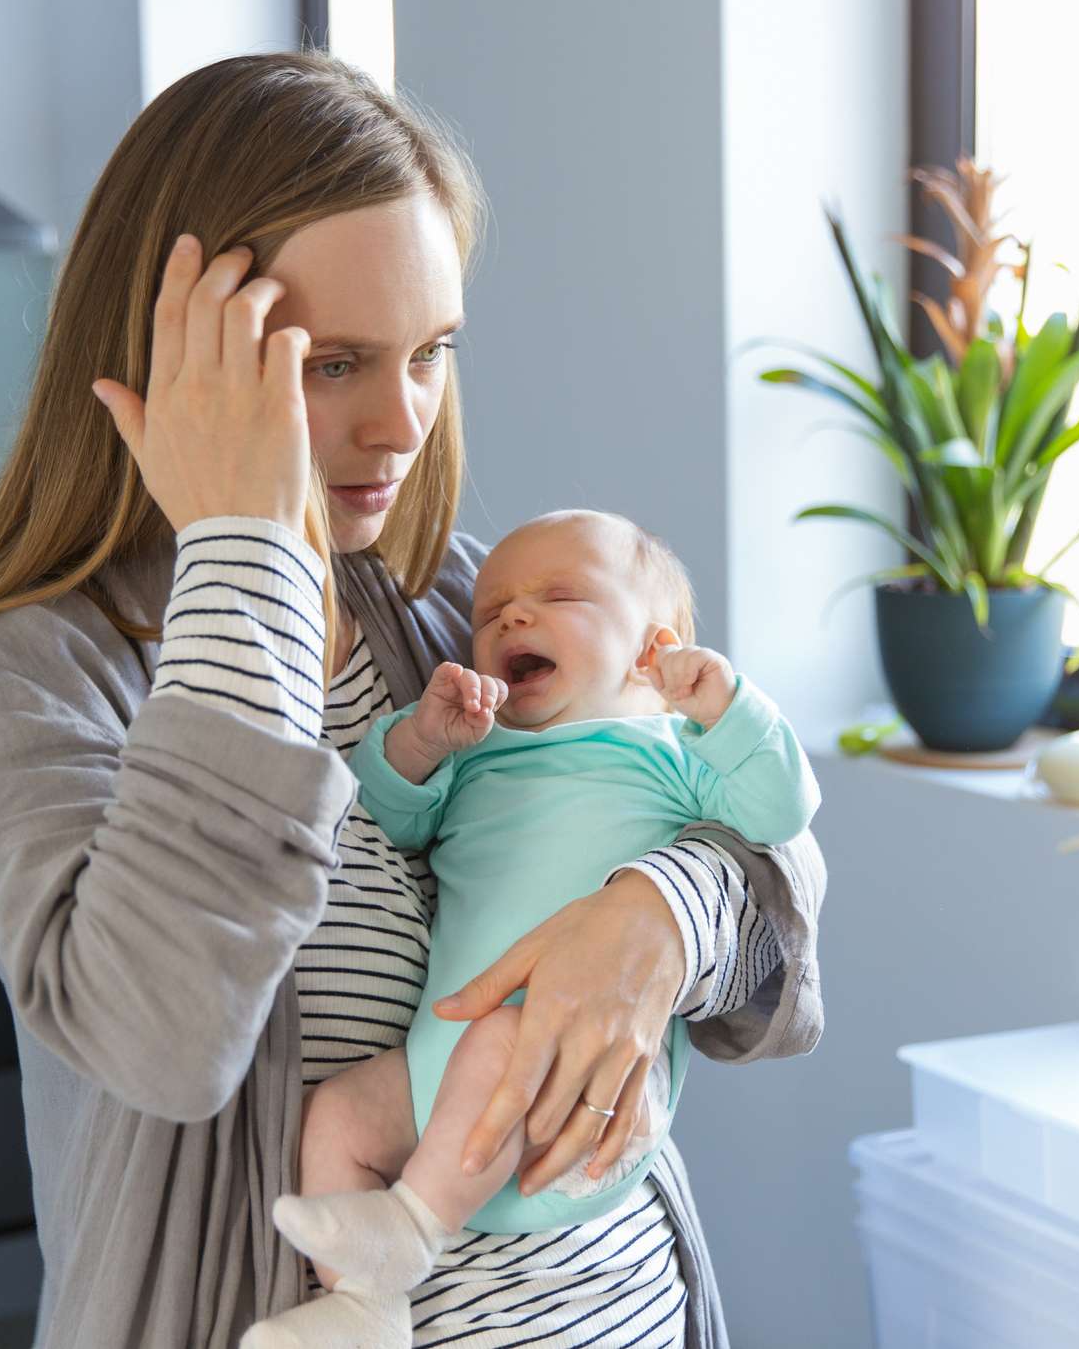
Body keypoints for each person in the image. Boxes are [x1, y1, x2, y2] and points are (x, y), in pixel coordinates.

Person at [0, 51, 827, 1348]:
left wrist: (658, 915)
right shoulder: (23, 678)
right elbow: (164, 1034)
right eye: (334, 364)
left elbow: (775, 894)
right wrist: (243, 551)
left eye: (431, 351)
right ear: (169, 358)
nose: (401, 422)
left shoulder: (461, 611)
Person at [245, 510, 820, 1346]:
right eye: (491, 613)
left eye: (558, 596)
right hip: (434, 1082)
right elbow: (386, 819)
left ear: (652, 650)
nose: (512, 617)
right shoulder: (479, 753)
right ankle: (361, 1307)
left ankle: (408, 1229)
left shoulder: (671, 751)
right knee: (334, 1119)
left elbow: (779, 819)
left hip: (569, 1086)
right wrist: (418, 742)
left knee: (503, 1036)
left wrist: (727, 710)